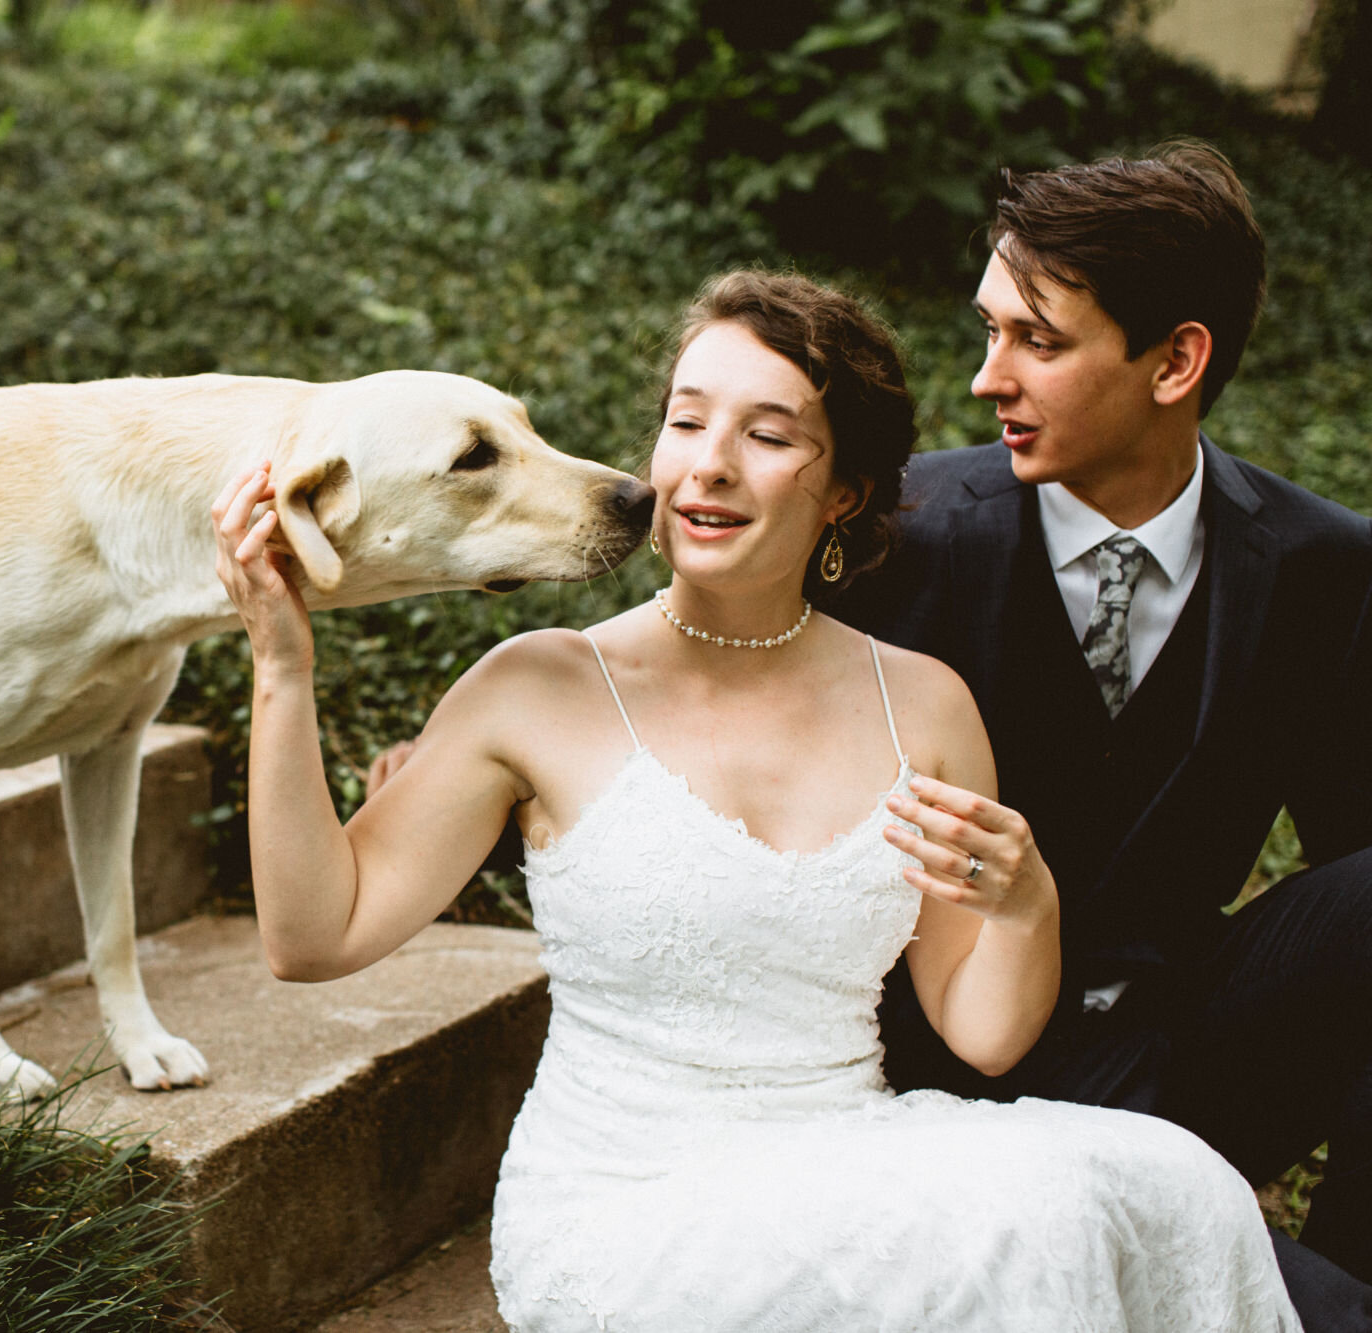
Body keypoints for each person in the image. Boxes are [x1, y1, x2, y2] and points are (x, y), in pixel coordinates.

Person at [216, 269, 1300, 1330]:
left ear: (843, 494)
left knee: (1174, 1186)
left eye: (768, 437)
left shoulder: (920, 706)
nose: (708, 467)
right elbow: (315, 936)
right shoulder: (535, 689)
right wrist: (280, 667)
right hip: (623, 1206)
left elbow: (984, 1036)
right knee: (1027, 1231)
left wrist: (1023, 905)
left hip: (846, 1155)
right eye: (686, 423)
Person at [829, 144, 1372, 1331]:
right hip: (947, 1077)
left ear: (1175, 359)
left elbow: (1346, 870)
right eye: (987, 330)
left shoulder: (1325, 566)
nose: (986, 379)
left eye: (1038, 340)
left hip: (1184, 1048)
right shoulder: (900, 535)